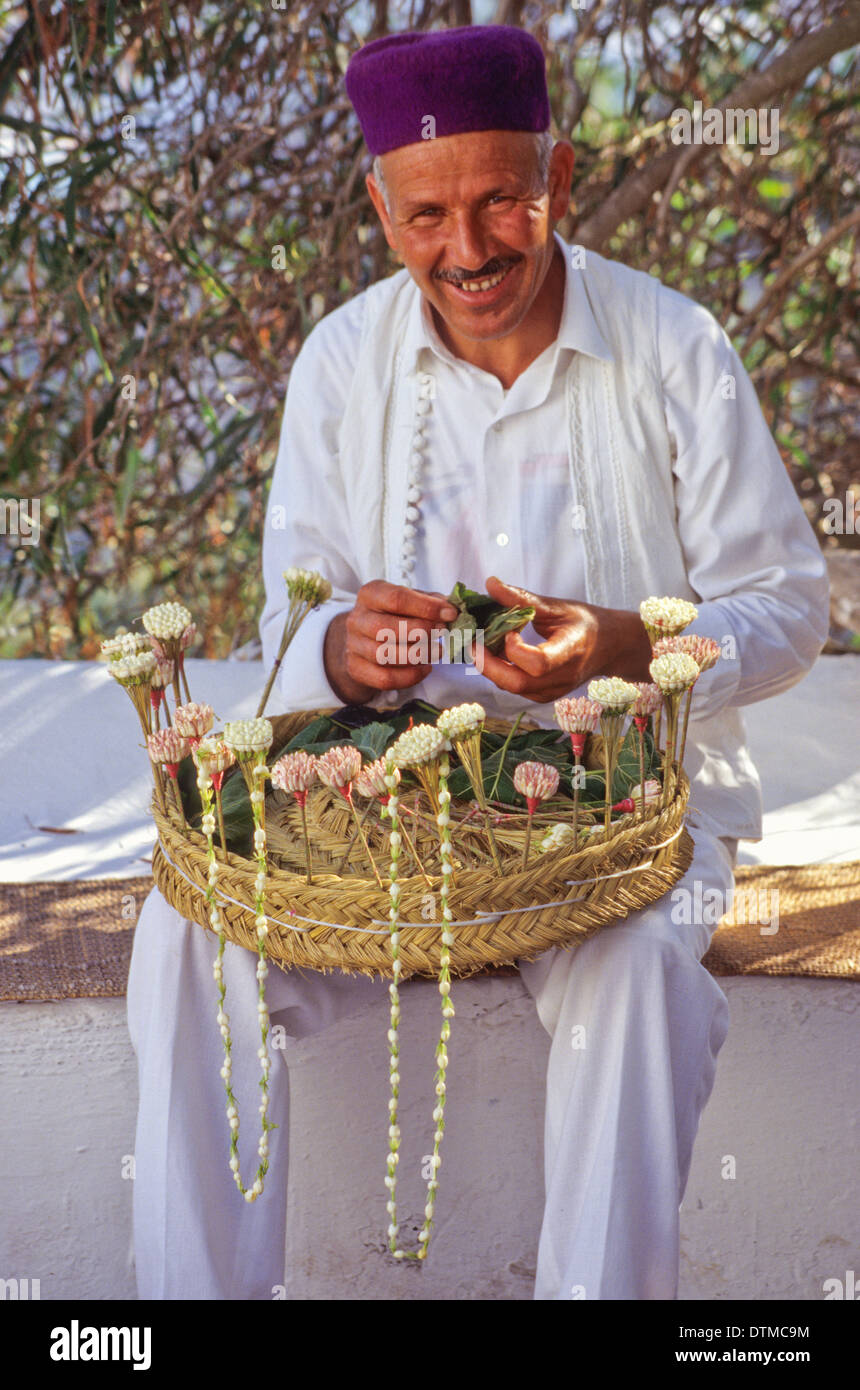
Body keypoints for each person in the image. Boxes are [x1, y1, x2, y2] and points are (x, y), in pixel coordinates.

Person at [128, 24, 829, 1300]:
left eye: (502, 198)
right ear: (377, 206)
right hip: (386, 816)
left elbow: (789, 602)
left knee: (634, 970)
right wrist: (345, 649)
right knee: (190, 931)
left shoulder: (674, 346)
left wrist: (628, 643)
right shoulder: (342, 364)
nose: (469, 250)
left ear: (556, 175)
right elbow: (293, 635)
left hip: (617, 819)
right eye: (427, 214)